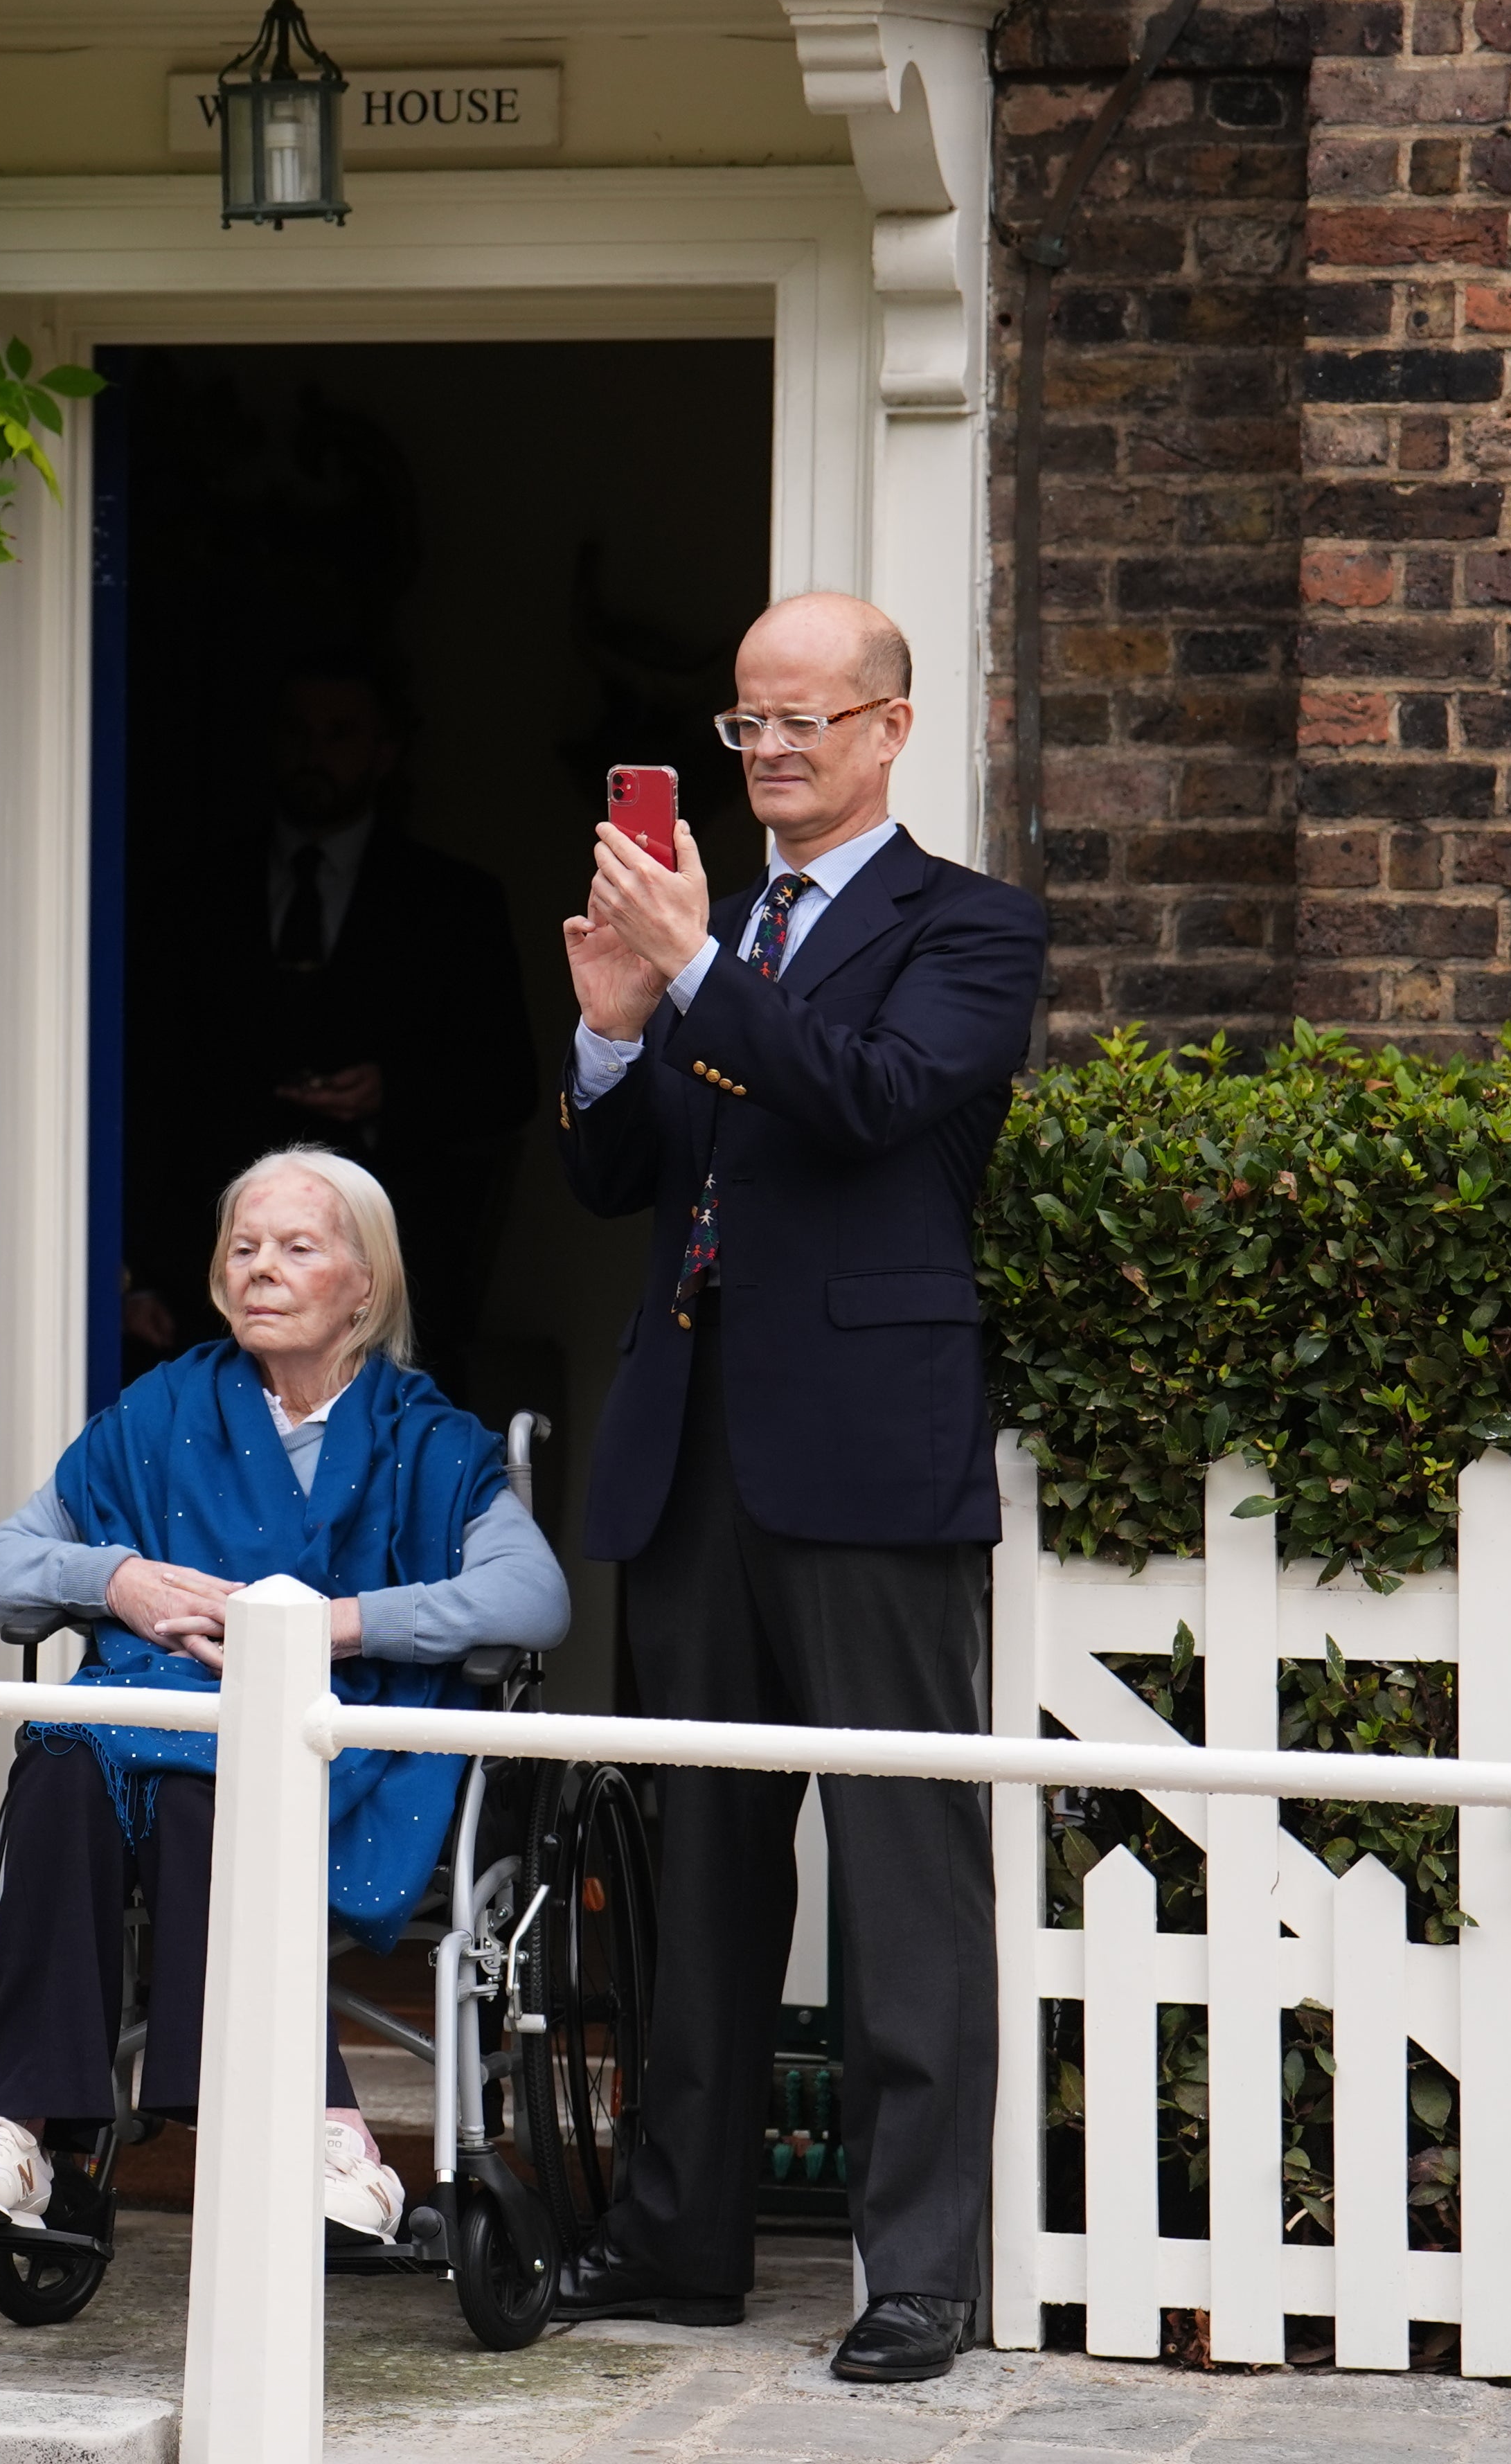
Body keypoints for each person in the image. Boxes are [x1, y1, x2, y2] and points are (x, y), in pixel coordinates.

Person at [548, 589, 1044, 2386]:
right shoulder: (714, 927)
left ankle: (918, 2276)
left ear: (891, 729)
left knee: (907, 1875)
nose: (766, 753)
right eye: (745, 724)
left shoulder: (971, 930)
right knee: (701, 1870)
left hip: (869, 1457)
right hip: (692, 1453)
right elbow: (629, 1182)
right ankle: (680, 2241)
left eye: (802, 723)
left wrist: (691, 976)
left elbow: (869, 1098)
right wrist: (612, 1032)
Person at [0, 1148, 569, 2254]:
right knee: (68, 1755)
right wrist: (113, 1579)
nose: (261, 1268)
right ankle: (15, 2137)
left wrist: (339, 1623)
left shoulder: (430, 1440)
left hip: (344, 1739)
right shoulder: (160, 1411)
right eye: (243, 1248)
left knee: (194, 1782)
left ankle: (318, 2129)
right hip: (145, 1724)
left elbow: (533, 1598)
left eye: (297, 1248)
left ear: (366, 1284)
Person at [126, 657, 535, 1398]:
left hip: (392, 1276)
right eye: (296, 732)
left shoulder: (453, 902)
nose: (314, 752)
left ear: (386, 751)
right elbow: (147, 1084)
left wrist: (390, 1094)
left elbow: (508, 1083)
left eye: (339, 733)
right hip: (206, 1283)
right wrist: (136, 1267)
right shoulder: (194, 895)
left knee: (381, 1501)